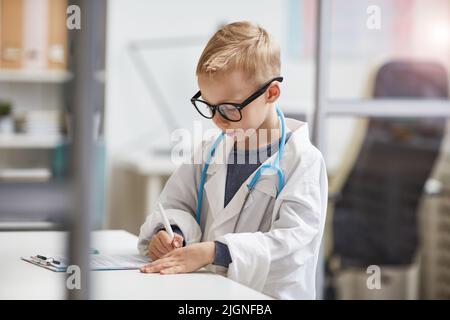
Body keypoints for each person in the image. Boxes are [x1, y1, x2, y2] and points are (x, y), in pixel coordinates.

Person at [138, 21, 328, 299]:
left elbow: (292, 246)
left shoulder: (303, 161)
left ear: (271, 93)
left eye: (229, 108)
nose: (216, 120)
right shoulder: (208, 151)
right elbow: (175, 205)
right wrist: (171, 235)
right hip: (208, 295)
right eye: (209, 106)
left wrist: (216, 251)